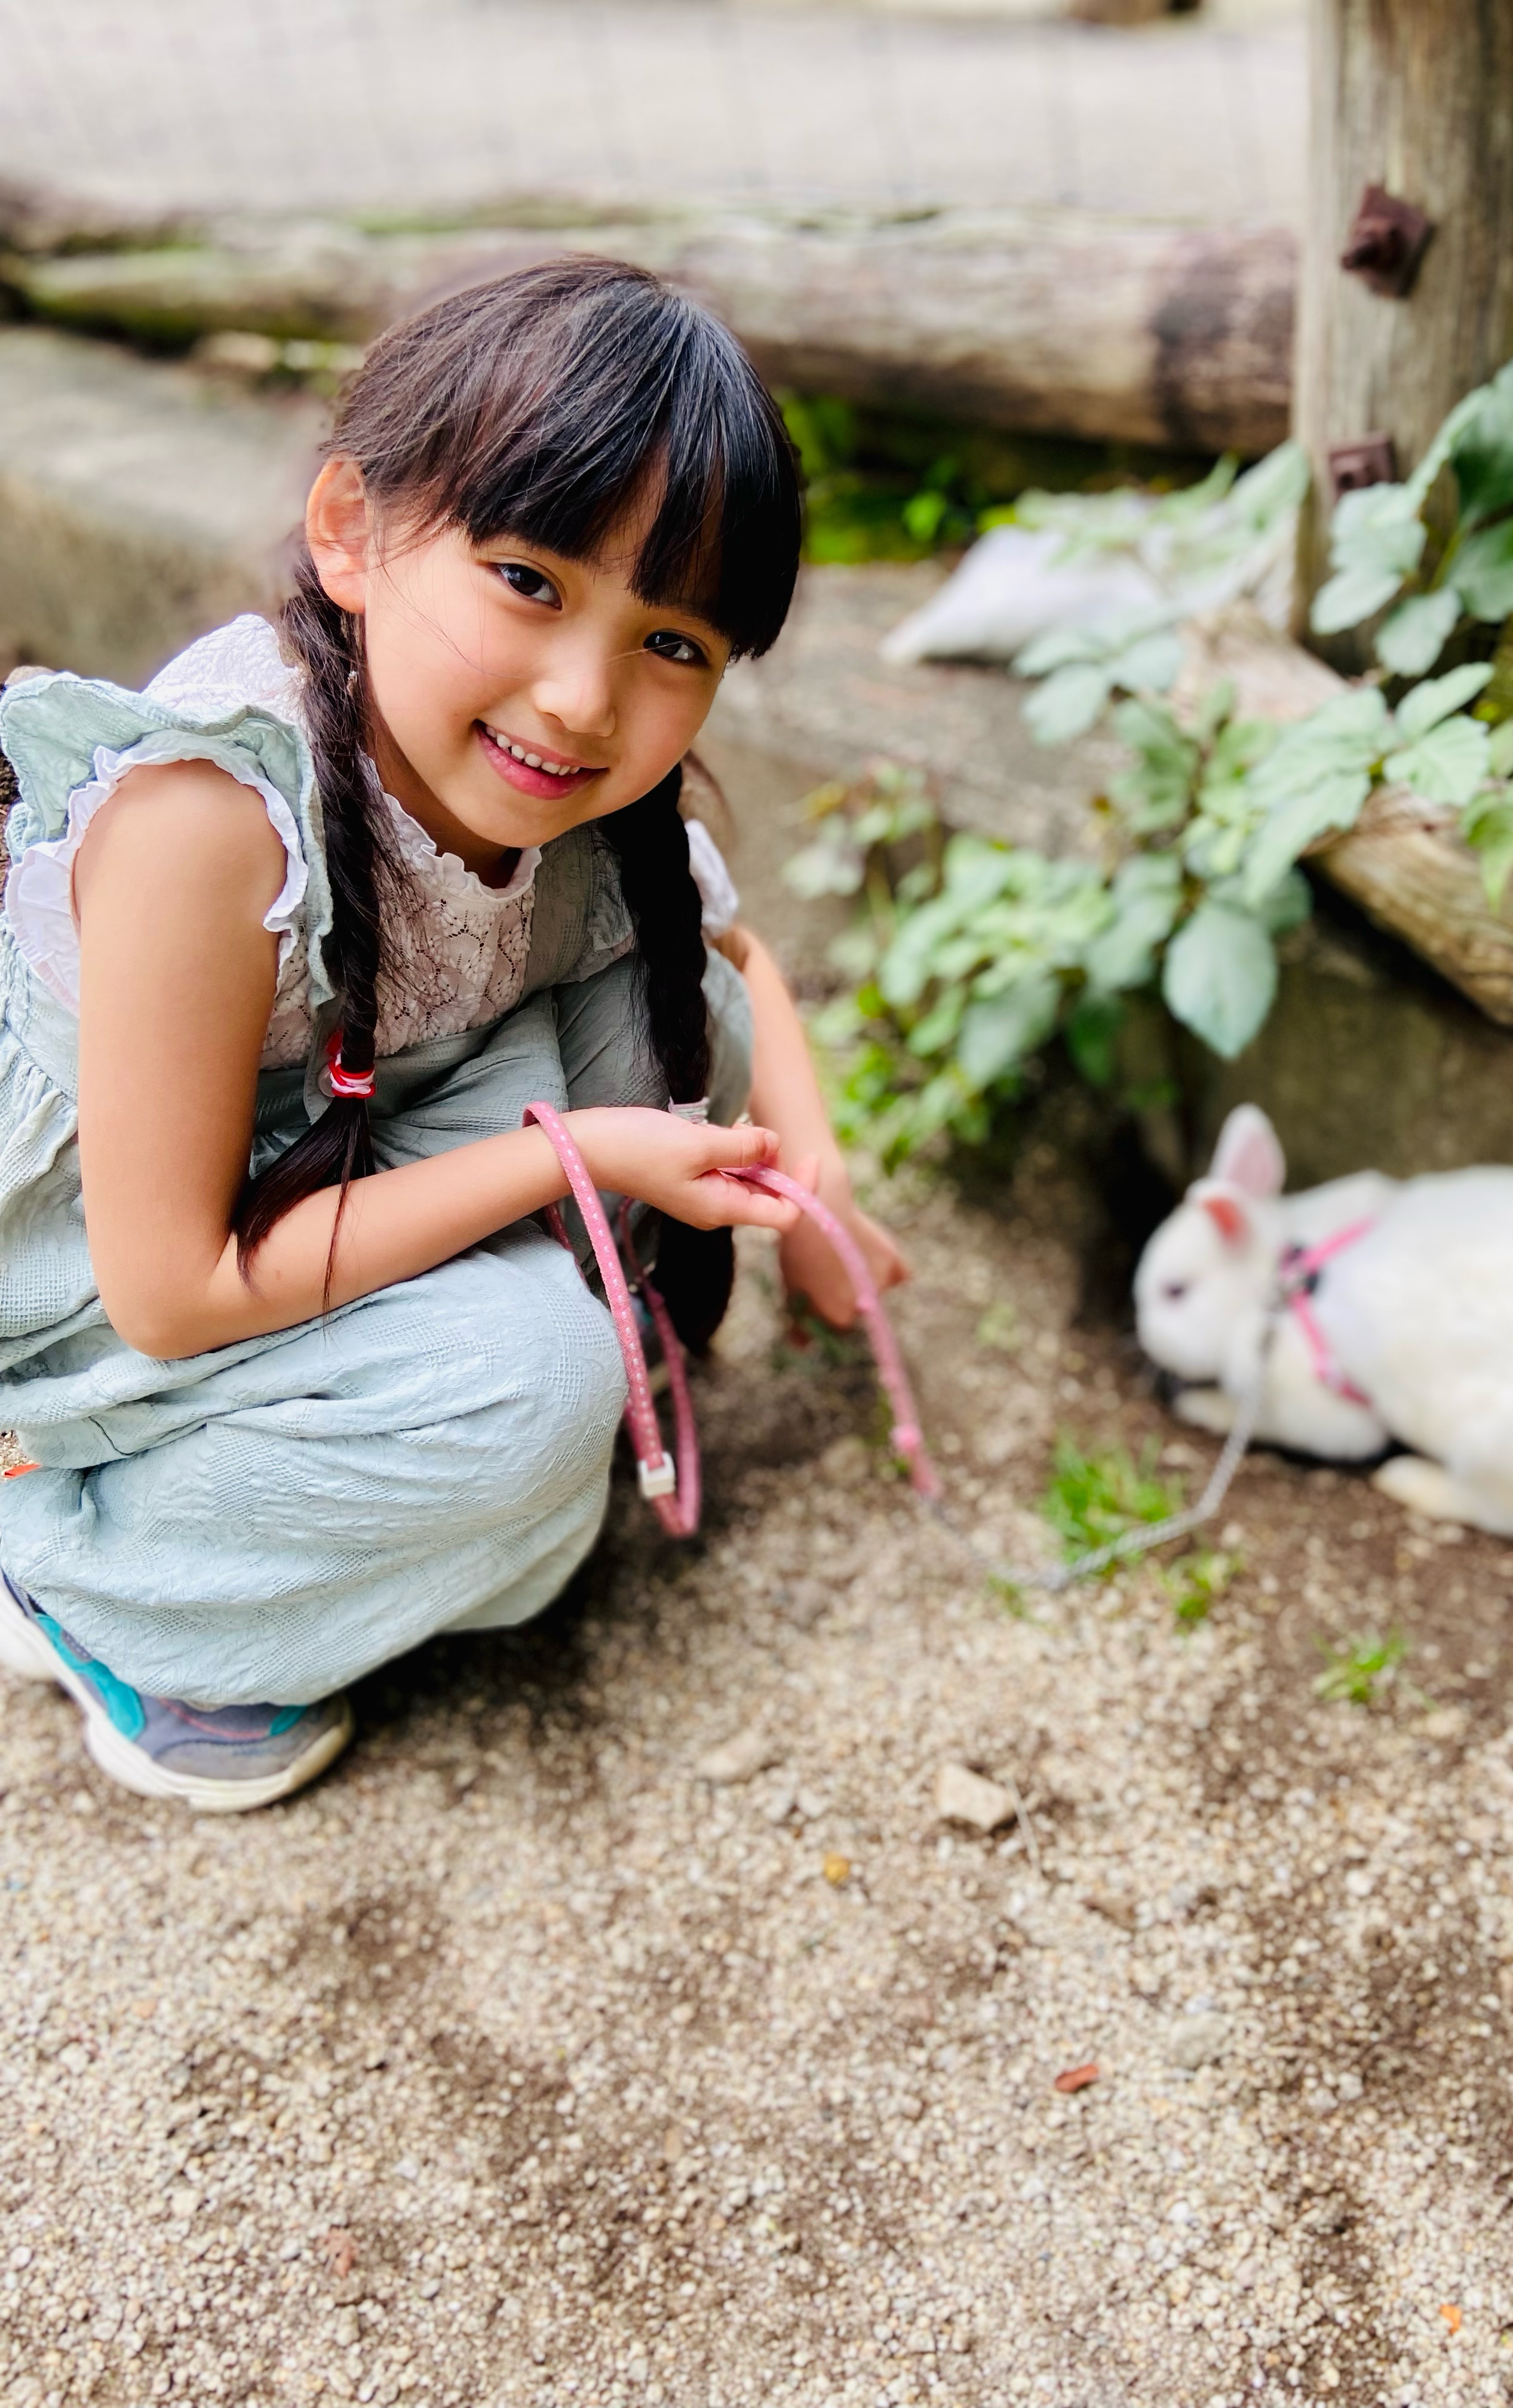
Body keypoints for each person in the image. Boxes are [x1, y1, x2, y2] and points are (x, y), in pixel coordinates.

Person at [0, 259, 905, 1813]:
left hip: (333, 1123)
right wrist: (578, 1156)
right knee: (531, 1393)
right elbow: (173, 1286)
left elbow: (740, 966)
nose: (580, 698)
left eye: (670, 645)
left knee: (682, 1021)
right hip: (94, 1252)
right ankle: (91, 1580)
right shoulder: (212, 827)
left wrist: (819, 1193)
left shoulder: (564, 801)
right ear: (351, 533)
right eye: (531, 581)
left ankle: (404, 1449)